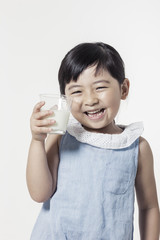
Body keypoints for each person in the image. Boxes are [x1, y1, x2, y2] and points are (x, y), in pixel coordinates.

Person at [26, 42, 160, 239]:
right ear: (65, 97)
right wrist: (37, 140)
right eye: (77, 91)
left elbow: (149, 207)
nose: (90, 100)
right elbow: (40, 193)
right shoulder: (61, 135)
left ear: (123, 89)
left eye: (99, 87)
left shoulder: (136, 147)